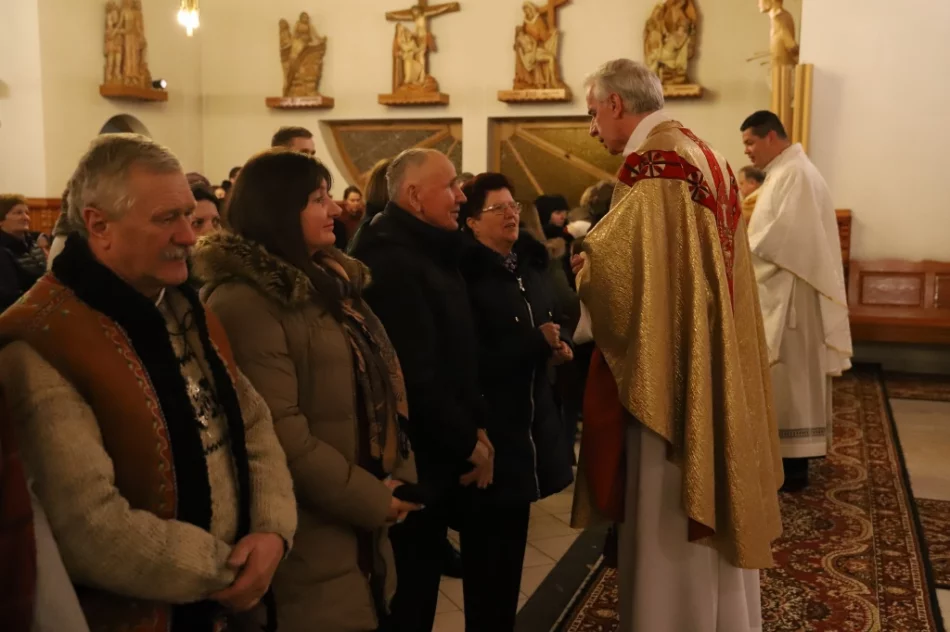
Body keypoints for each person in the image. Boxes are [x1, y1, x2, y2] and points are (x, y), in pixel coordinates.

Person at [0, 134, 298, 631]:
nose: (189, 235)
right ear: (99, 225)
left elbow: (253, 424)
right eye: (167, 219)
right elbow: (89, 527)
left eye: (190, 214)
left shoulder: (184, 308)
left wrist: (272, 531)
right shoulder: (40, 340)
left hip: (226, 603)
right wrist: (229, 568)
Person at [574, 59, 783, 632]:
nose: (593, 129)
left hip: (672, 368)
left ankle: (672, 619)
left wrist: (585, 268)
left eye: (593, 113)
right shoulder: (705, 153)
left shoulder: (654, 164)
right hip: (711, 352)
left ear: (617, 105)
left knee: (665, 501)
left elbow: (623, 280)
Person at [195, 149, 419, 631]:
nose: (335, 209)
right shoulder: (244, 301)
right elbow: (280, 433)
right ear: (278, 209)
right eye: (318, 199)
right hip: (304, 534)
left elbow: (374, 384)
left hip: (351, 525)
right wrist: (370, 498)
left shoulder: (329, 283)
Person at [350, 148, 493, 632]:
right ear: (414, 195)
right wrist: (467, 440)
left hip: (439, 448)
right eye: (451, 186)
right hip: (413, 459)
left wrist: (474, 425)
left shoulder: (426, 247)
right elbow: (413, 374)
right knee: (408, 602)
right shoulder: (390, 261)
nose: (461, 196)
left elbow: (456, 353)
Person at [457, 172, 575, 631]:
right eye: (497, 208)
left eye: (513, 205)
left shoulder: (525, 264)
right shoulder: (466, 276)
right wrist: (533, 342)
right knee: (488, 565)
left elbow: (552, 318)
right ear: (470, 223)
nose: (511, 214)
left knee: (510, 557)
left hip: (527, 428)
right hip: (492, 429)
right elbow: (469, 356)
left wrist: (558, 342)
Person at [741, 110, 852, 491]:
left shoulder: (795, 174)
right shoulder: (786, 172)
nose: (748, 152)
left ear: (772, 137)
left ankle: (794, 464)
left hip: (791, 294)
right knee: (787, 378)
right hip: (785, 286)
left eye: (751, 143)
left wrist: (739, 249)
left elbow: (782, 237)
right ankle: (789, 458)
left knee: (790, 376)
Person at [0, 196, 47, 310]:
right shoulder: (3, 251)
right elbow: (10, 297)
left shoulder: (33, 243)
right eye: (18, 213)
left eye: (27, 213)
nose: (26, 217)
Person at [334, 185, 366, 249]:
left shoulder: (364, 216)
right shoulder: (339, 218)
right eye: (352, 200)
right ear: (345, 201)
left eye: (358, 200)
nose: (356, 203)